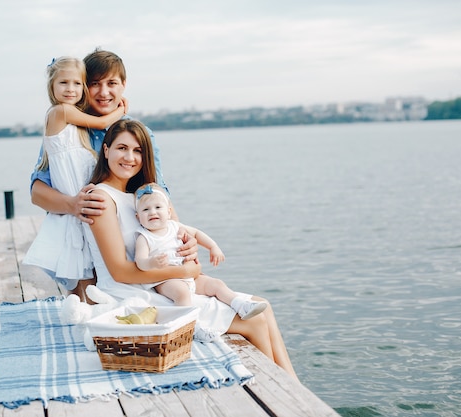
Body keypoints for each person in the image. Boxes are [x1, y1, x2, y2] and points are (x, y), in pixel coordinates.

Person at [83, 118, 297, 377]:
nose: (130, 157)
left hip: (161, 284)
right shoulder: (100, 197)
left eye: (138, 150)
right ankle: (277, 390)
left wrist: (192, 265)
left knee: (263, 304)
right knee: (254, 321)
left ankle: (294, 386)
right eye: (122, 148)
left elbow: (182, 241)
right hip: (131, 292)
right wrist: (185, 273)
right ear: (106, 151)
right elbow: (120, 272)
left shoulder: (145, 196)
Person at [29, 49, 195, 301]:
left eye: (112, 83)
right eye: (95, 84)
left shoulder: (136, 134)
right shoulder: (67, 130)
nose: (104, 92)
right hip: (84, 241)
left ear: (123, 85)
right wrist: (74, 204)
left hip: (132, 249)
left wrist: (181, 238)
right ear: (85, 88)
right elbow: (37, 192)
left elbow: (157, 191)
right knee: (86, 310)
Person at [24, 56, 127, 291]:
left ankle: (88, 306)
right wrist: (120, 110)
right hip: (73, 203)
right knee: (81, 270)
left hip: (91, 207)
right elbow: (101, 124)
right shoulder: (59, 113)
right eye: (64, 83)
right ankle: (83, 308)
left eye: (77, 83)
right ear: (52, 86)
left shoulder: (77, 125)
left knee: (89, 265)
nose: (71, 89)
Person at [134, 182, 268, 321]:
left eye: (158, 207)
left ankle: (241, 305)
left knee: (216, 284)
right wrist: (152, 262)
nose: (152, 212)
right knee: (182, 293)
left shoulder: (175, 226)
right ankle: (191, 324)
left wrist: (212, 246)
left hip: (188, 276)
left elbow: (196, 233)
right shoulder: (144, 237)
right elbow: (140, 262)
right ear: (138, 217)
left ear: (168, 212)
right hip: (164, 280)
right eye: (146, 210)